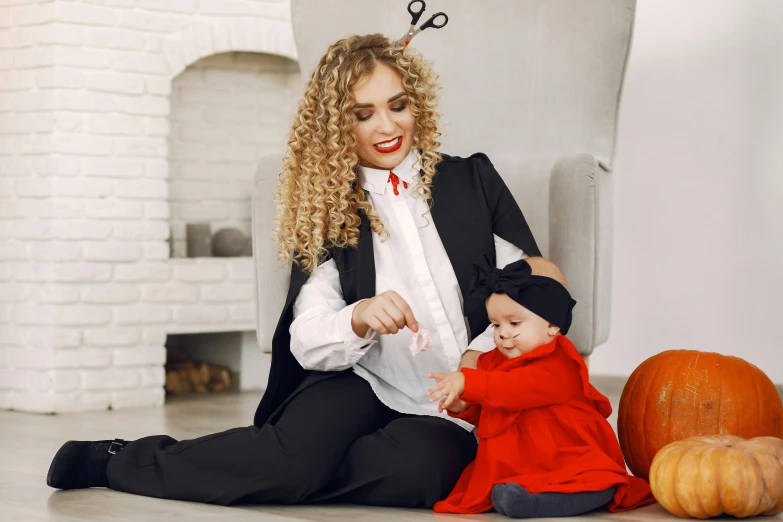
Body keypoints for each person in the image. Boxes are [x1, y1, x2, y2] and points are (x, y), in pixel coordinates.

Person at [46, 33, 540, 508]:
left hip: (455, 401)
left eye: (397, 105)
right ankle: (118, 460)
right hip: (358, 378)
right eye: (362, 114)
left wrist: (480, 360)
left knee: (425, 472)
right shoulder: (327, 206)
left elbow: (527, 284)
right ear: (336, 126)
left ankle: (293, 469)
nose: (387, 127)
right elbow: (307, 337)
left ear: (418, 103)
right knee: (289, 459)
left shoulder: (471, 179)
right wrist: (359, 316)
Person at [428, 255, 656, 517]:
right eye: (496, 324)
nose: (503, 333)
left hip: (564, 456)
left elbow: (515, 389)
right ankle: (520, 494)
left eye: (514, 323)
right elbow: (492, 411)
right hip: (517, 459)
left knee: (588, 480)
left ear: (552, 325)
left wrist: (470, 381)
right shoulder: (492, 361)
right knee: (490, 486)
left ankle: (544, 501)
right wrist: (463, 406)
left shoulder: (560, 363)